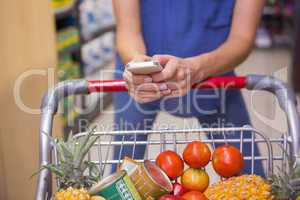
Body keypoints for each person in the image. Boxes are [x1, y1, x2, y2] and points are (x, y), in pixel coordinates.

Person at [112, 0, 266, 175]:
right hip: (140, 79)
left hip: (215, 73)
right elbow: (127, 31)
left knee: (248, 171)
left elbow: (242, 39)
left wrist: (198, 68)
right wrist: (136, 65)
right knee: (121, 173)